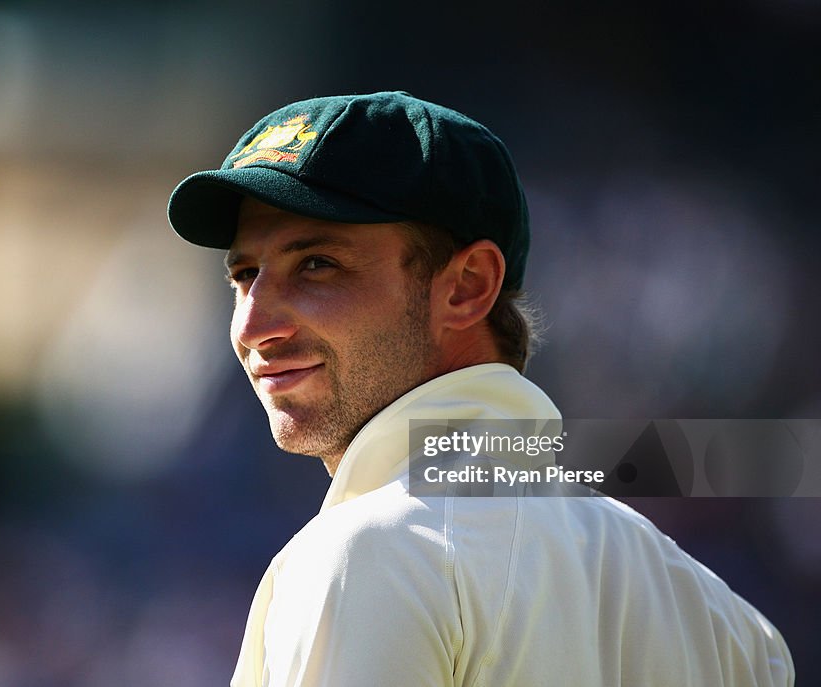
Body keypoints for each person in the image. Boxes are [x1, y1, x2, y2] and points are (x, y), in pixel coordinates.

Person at [167, 91, 794, 686]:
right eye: (245, 275)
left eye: (317, 265)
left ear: (467, 286)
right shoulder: (722, 620)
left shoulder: (371, 555)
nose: (253, 326)